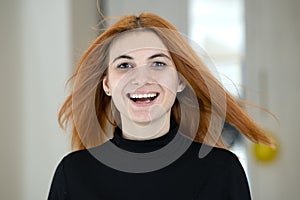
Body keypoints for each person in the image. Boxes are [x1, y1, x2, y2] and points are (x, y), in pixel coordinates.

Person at [48, 12, 275, 200]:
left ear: (180, 80)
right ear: (106, 84)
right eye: (125, 65)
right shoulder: (74, 174)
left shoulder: (222, 171)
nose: (141, 78)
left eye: (158, 63)